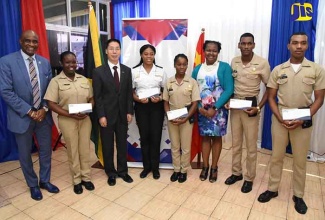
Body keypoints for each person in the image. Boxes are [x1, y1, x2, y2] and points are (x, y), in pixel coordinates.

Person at [257, 32, 325, 215]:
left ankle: (298, 195)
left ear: (307, 46)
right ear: (288, 46)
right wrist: (279, 117)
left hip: (302, 120)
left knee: (300, 160)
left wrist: (303, 117)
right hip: (281, 117)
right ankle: (272, 189)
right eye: (295, 43)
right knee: (276, 156)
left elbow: (319, 99)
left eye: (303, 43)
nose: (299, 46)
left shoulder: (316, 69)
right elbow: (271, 97)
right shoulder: (279, 70)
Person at [0, 30, 59, 201]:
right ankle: (33, 184)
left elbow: (50, 89)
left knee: (46, 151)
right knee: (25, 154)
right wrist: (30, 111)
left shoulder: (44, 62)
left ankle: (45, 181)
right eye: (28, 41)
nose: (32, 44)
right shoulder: (6, 62)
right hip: (22, 117)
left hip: (43, 116)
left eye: (35, 41)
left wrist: (45, 108)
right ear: (20, 41)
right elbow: (6, 91)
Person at [224, 33, 270, 193]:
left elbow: (270, 88)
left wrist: (259, 108)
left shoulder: (262, 63)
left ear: (254, 45)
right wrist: (229, 100)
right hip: (236, 105)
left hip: (251, 106)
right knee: (236, 143)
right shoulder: (234, 61)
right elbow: (231, 85)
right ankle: (236, 173)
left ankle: (249, 178)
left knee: (251, 146)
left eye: (249, 44)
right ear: (239, 45)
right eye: (243, 43)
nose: (246, 46)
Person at [44, 51, 95, 194]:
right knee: (73, 150)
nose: (71, 65)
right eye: (67, 62)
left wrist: (88, 108)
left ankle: (86, 177)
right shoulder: (55, 82)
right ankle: (77, 180)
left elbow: (91, 98)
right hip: (67, 120)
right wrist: (69, 114)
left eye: (74, 62)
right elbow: (51, 103)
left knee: (85, 149)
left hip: (85, 119)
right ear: (61, 63)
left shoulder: (83, 79)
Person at [92, 39, 134, 186]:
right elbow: (98, 97)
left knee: (122, 144)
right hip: (107, 116)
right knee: (108, 145)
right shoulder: (98, 71)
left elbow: (128, 93)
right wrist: (101, 115)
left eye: (117, 48)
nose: (114, 51)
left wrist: (130, 111)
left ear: (120, 51)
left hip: (123, 115)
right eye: (111, 49)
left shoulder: (127, 70)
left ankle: (123, 171)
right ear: (106, 51)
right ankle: (110, 172)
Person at [191, 40, 234, 183]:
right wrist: (199, 109)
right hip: (202, 110)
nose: (211, 53)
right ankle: (205, 166)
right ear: (204, 51)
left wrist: (215, 108)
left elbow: (229, 90)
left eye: (214, 50)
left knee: (216, 138)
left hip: (219, 111)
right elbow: (193, 90)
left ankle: (214, 167)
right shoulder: (197, 69)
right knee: (204, 138)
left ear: (218, 52)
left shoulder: (224, 67)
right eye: (208, 50)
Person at [163, 54, 200, 183]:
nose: (181, 67)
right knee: (174, 145)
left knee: (185, 147)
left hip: (186, 119)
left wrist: (186, 118)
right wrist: (168, 115)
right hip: (172, 118)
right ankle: (176, 170)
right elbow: (165, 102)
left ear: (187, 65)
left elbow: (195, 103)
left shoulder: (192, 82)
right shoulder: (169, 81)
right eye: (179, 64)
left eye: (184, 64)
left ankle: (183, 171)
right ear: (174, 65)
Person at [132, 44, 166, 180]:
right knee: (144, 138)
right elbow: (131, 92)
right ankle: (146, 168)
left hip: (156, 107)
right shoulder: (134, 71)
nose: (149, 56)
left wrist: (160, 98)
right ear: (141, 55)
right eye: (146, 54)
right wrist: (138, 100)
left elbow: (165, 91)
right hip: (141, 107)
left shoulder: (161, 71)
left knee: (156, 137)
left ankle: (155, 168)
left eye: (151, 54)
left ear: (154, 55)